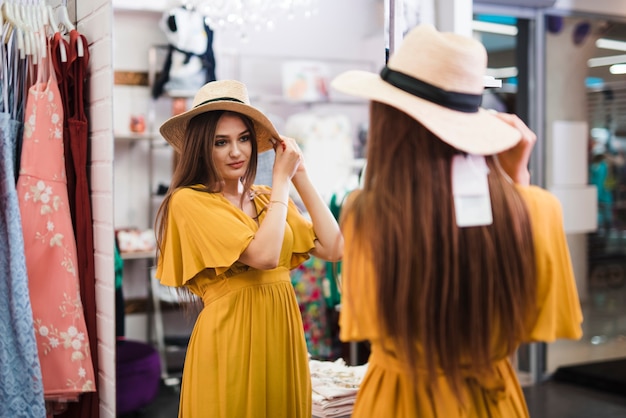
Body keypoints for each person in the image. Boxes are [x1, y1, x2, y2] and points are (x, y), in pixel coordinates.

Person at [330, 24, 583, 417]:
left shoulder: (365, 213)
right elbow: (540, 322)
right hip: (492, 401)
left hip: (400, 399)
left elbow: (363, 321)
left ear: (389, 119)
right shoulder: (537, 210)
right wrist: (518, 186)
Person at [154, 79, 343, 417]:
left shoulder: (267, 198)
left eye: (243, 139)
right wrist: (282, 181)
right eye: (221, 142)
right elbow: (265, 256)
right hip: (230, 341)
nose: (236, 151)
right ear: (202, 148)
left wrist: (301, 176)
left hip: (282, 338)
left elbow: (334, 246)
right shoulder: (190, 201)